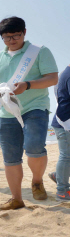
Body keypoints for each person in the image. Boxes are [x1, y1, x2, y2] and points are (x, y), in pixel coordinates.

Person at [0, 16, 58, 210]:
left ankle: (37, 180)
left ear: (24, 32)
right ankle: (16, 199)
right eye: (6, 38)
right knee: (10, 157)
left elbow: (52, 78)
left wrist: (27, 85)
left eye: (15, 36)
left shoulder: (40, 52)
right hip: (6, 111)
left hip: (35, 107)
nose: (11, 40)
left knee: (34, 147)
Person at [49, 64, 70, 200]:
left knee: (67, 155)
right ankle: (62, 191)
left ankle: (58, 176)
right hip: (65, 122)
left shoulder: (64, 73)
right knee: (66, 155)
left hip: (63, 120)